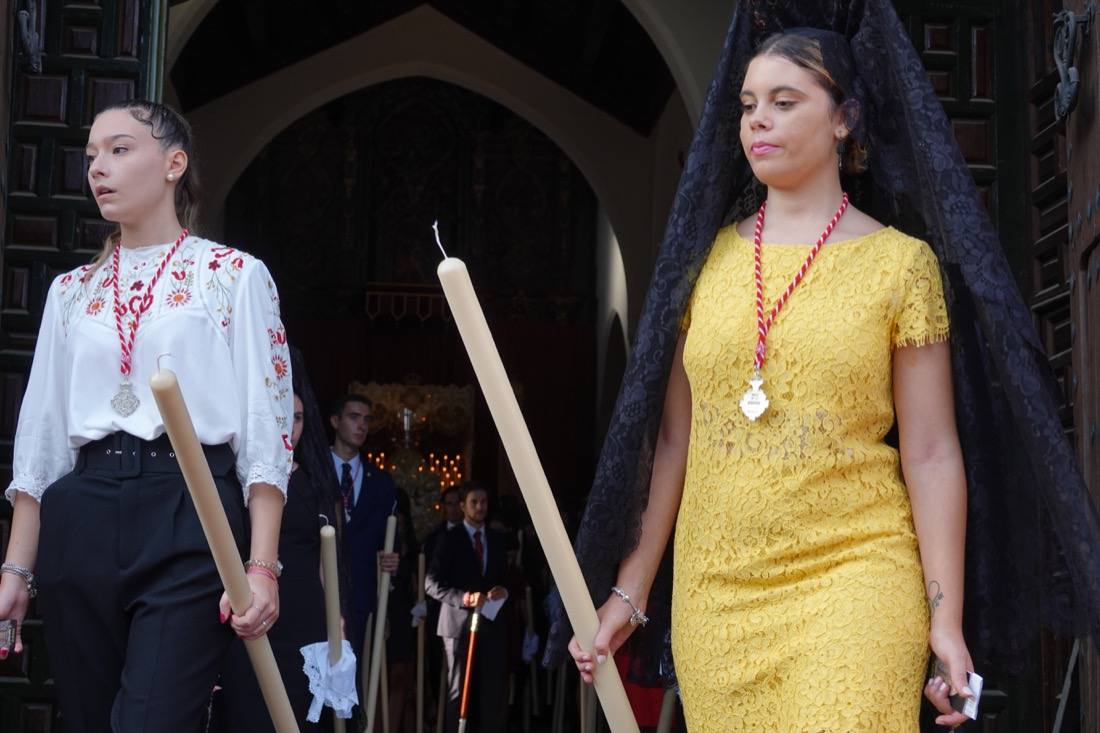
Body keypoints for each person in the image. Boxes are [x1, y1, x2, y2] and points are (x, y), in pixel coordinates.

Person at [553, 3, 1100, 731]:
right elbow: (674, 446)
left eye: (785, 102)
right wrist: (629, 592)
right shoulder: (703, 265)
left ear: (844, 119)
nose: (758, 120)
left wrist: (946, 620)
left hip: (856, 578)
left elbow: (932, 454)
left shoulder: (900, 266)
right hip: (720, 595)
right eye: (748, 104)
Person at [0, 100, 293, 732]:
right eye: (90, 156)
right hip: (83, 513)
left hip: (193, 515)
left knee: (152, 721)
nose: (98, 168)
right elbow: (43, 436)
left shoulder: (233, 275)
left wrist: (261, 566)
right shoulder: (69, 291)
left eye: (119, 149)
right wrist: (16, 570)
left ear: (173, 164)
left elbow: (266, 429)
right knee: (89, 720)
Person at [219, 347, 345, 731]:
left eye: (299, 418)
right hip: (251, 612)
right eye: (283, 417)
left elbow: (328, 561)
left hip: (306, 620)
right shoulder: (238, 479)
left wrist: (336, 622)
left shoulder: (316, 483)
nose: (290, 427)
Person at [328, 393, 399, 699]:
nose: (361, 426)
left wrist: (393, 560)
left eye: (367, 419)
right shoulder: (312, 471)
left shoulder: (382, 482)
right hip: (319, 594)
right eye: (354, 417)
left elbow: (393, 541)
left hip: (361, 596)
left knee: (353, 687)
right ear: (335, 421)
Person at [425, 482, 510, 733]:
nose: (480, 507)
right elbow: (431, 583)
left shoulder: (497, 539)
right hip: (458, 625)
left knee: (491, 691)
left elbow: (506, 578)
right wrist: (464, 598)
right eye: (474, 502)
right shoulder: (447, 539)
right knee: (459, 691)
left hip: (490, 624)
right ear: (463, 506)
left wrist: (504, 590)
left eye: (484, 502)